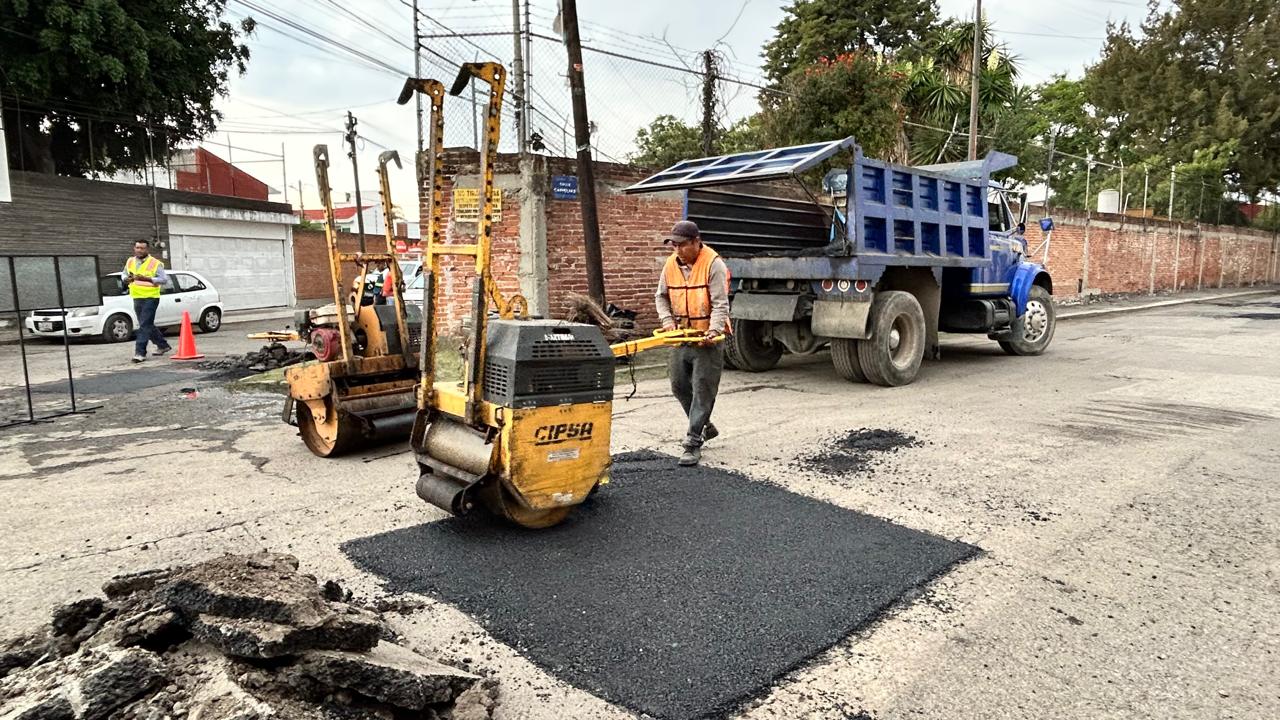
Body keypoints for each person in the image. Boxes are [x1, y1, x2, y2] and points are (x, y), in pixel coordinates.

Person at [654, 220, 731, 467]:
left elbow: (720, 303)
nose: (677, 250)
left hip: (707, 337)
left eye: (681, 245)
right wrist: (667, 321)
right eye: (673, 245)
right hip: (682, 335)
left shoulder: (714, 264)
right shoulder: (670, 265)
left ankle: (693, 441)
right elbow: (661, 297)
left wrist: (714, 329)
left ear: (696, 242)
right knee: (678, 385)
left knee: (702, 388)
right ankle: (705, 426)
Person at [124, 239, 172, 363]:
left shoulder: (155, 263)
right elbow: (124, 274)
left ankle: (140, 353)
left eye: (142, 248)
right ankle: (162, 345)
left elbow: (163, 279)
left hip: (151, 298)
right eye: (137, 248)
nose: (139, 250)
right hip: (137, 297)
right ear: (134, 248)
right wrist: (126, 279)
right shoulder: (130, 261)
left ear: (147, 249)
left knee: (144, 325)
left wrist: (147, 279)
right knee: (147, 324)